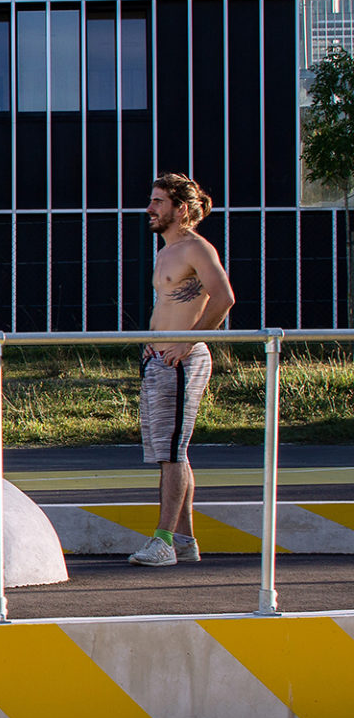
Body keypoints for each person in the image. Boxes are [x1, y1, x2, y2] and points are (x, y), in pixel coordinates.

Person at [127, 173, 235, 568]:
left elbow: (224, 297)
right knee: (171, 452)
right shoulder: (165, 251)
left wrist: (188, 341)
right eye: (152, 200)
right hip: (158, 359)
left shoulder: (196, 249)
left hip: (181, 361)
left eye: (158, 202)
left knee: (172, 453)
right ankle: (186, 539)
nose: (150, 209)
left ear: (180, 209)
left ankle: (164, 541)